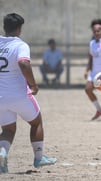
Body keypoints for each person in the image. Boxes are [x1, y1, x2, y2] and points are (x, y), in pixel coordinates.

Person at [0, 13, 57, 173]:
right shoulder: (20, 45)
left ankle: (2, 154)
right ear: (19, 29)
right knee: (36, 122)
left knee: (8, 130)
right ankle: (39, 158)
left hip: (0, 97)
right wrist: (33, 84)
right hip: (19, 95)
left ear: (4, 27)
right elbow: (24, 63)